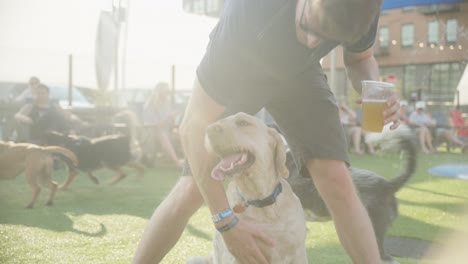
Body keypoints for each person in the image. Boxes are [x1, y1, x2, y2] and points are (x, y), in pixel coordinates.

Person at [133, 0, 401, 263]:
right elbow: (192, 128)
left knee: (337, 180)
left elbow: (360, 58)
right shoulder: (250, 11)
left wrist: (371, 86)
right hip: (244, 65)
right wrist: (225, 220)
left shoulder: (360, 10)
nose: (310, 41)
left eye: (325, 39)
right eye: (309, 26)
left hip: (300, 72)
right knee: (191, 189)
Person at [142, 82, 184, 168]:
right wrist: (169, 117)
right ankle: (178, 164)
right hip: (151, 131)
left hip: (165, 130)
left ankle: (188, 160)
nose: (168, 94)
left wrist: (173, 118)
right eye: (166, 92)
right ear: (159, 92)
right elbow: (156, 125)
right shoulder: (149, 106)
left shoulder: (167, 103)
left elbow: (168, 123)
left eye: (168, 92)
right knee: (163, 135)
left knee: (181, 133)